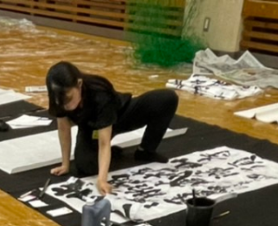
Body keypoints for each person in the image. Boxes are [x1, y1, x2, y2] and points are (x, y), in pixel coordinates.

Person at [46, 61, 179, 195]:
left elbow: (104, 143)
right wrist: (65, 164)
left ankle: (146, 150)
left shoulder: (99, 94)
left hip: (121, 115)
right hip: (91, 127)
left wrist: (102, 180)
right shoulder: (58, 96)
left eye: (69, 100)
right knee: (85, 166)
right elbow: (63, 129)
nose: (66, 106)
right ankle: (111, 153)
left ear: (79, 84)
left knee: (167, 98)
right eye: (61, 102)